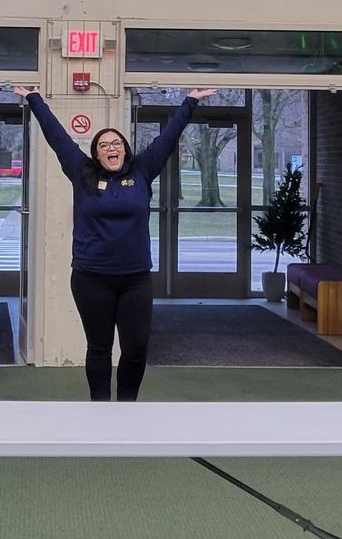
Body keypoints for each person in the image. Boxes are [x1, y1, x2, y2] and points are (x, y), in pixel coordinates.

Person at [15, 85, 215, 401]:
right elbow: (56, 136)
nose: (112, 147)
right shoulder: (82, 172)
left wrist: (189, 101)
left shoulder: (142, 170)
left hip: (134, 278)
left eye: (117, 143)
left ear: (125, 150)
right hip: (91, 277)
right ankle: (100, 407)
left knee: (136, 347)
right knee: (99, 346)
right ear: (96, 153)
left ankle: (126, 406)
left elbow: (168, 138)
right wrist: (33, 99)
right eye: (105, 144)